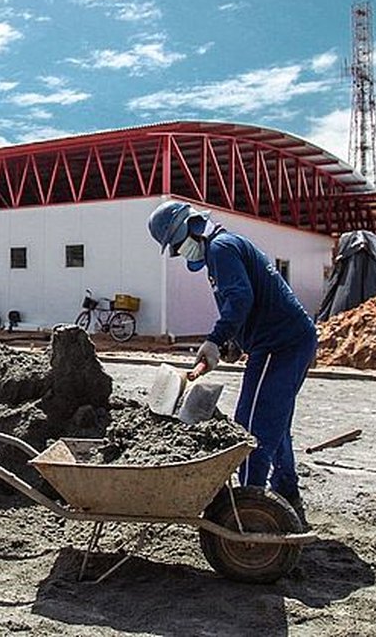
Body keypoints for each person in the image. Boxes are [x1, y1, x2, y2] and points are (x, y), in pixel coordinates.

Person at [147, 201, 318, 527]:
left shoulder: (222, 249)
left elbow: (240, 298)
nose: (179, 254)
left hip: (278, 345)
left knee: (251, 426)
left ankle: (250, 511)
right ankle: (287, 497)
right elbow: (247, 302)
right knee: (274, 423)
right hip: (287, 341)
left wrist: (214, 339)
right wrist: (234, 343)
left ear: (189, 231)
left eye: (176, 246)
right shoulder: (223, 249)